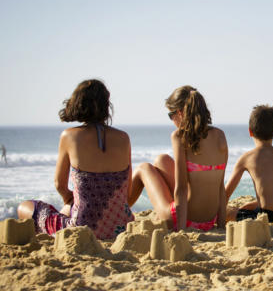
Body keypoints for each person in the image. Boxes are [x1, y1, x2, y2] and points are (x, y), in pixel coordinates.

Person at [17, 79, 134, 239]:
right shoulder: (123, 138)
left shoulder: (69, 136)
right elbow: (127, 192)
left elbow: (59, 184)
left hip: (82, 229)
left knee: (26, 206)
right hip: (121, 227)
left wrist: (68, 199)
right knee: (73, 206)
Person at [128, 86, 227, 231]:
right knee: (161, 160)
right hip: (210, 221)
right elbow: (220, 187)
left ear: (180, 113)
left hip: (185, 220)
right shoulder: (220, 135)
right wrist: (221, 226)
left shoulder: (180, 136)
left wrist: (181, 230)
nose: (172, 120)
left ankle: (121, 211)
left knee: (144, 168)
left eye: (171, 115)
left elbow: (181, 189)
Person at [225, 105, 273, 227]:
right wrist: (254, 204)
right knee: (247, 207)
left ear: (250, 131)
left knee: (227, 211)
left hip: (268, 218)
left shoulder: (247, 158)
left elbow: (225, 194)